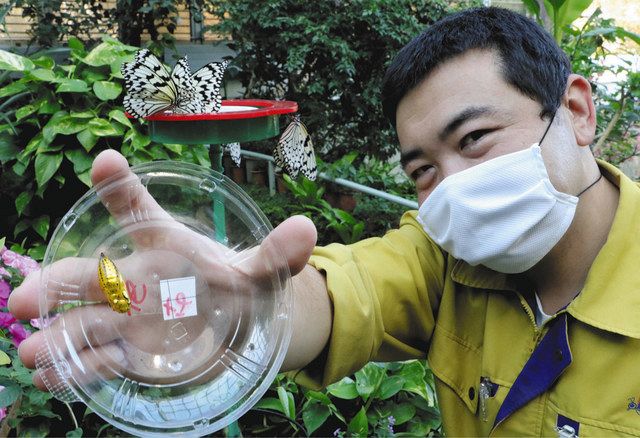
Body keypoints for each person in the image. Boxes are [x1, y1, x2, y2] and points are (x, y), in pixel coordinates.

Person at [9, 6, 639, 436]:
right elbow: (344, 293)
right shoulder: (447, 258)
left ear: (577, 110)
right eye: (423, 171)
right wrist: (243, 307)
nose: (455, 188)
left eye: (474, 138)